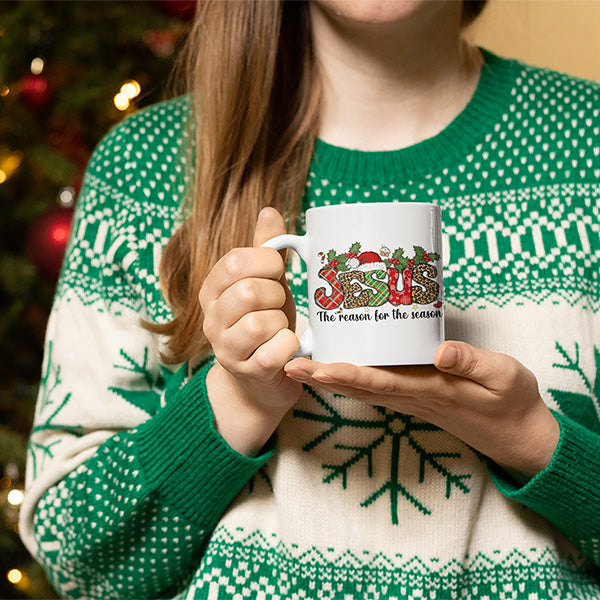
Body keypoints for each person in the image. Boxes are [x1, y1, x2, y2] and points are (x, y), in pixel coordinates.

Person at [19, 1, 600, 598]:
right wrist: (237, 400)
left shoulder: (589, 146)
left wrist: (530, 439)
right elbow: (79, 563)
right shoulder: (146, 168)